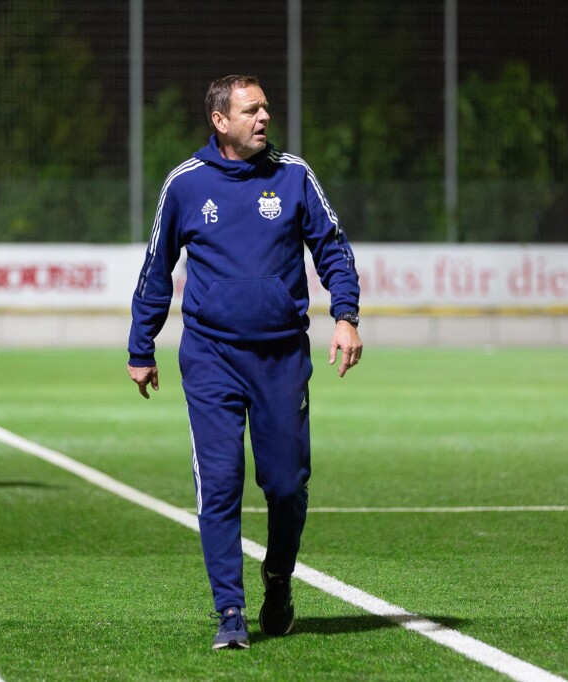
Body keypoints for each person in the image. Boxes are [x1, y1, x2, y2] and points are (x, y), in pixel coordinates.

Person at [127, 75, 362, 650]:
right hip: (210, 357)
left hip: (282, 357)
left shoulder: (295, 175)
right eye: (251, 110)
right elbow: (157, 268)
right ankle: (229, 611)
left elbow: (332, 247)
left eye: (266, 109)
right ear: (219, 120)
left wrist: (347, 315)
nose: (263, 118)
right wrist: (142, 345)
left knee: (286, 485)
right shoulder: (185, 184)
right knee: (220, 481)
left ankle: (277, 580)